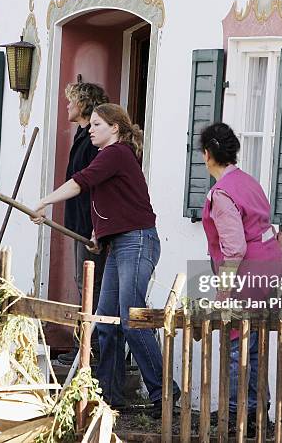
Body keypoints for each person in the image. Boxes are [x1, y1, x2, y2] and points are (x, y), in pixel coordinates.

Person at [32, 103, 179, 417]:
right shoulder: (110, 157)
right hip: (120, 243)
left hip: (138, 242)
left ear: (115, 127)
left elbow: (79, 182)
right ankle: (110, 394)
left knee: (130, 318)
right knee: (105, 322)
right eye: (91, 124)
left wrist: (43, 202)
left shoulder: (116, 153)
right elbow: (116, 200)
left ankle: (164, 394)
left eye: (97, 124)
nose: (90, 129)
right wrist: (101, 232)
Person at [200, 122, 282, 434]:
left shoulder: (222, 193)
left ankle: (239, 414)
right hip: (271, 268)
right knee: (256, 344)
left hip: (247, 275)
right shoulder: (248, 181)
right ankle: (256, 411)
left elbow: (234, 248)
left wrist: (223, 291)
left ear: (207, 154)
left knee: (237, 344)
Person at [58, 82, 109, 365]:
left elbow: (94, 185)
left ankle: (92, 348)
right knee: (83, 282)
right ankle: (86, 346)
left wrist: (95, 226)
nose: (67, 106)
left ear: (84, 104)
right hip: (79, 221)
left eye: (71, 101)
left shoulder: (94, 140)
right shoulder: (83, 134)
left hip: (90, 224)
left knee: (91, 283)